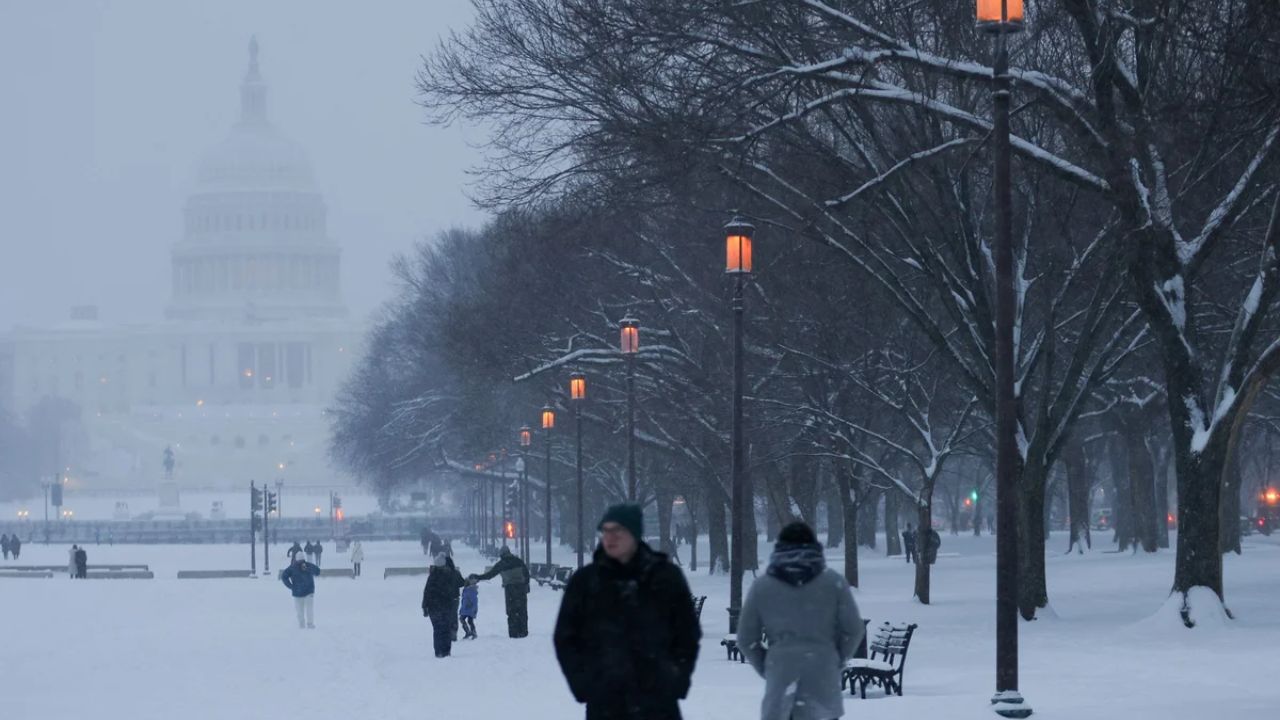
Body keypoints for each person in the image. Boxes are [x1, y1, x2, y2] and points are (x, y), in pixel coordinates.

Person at [554, 504, 700, 720]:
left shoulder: (665, 577)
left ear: (634, 534)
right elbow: (566, 637)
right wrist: (584, 683)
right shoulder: (586, 581)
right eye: (606, 531)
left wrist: (676, 678)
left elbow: (687, 633)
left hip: (658, 702)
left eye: (618, 531)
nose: (610, 537)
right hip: (605, 702)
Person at [737, 521, 864, 720]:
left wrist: (768, 665)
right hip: (822, 674)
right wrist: (836, 657)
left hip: (781, 674)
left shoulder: (762, 586)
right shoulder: (833, 582)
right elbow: (854, 630)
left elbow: (746, 638)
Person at [474, 545, 530, 638]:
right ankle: (523, 631)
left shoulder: (502, 564)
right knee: (522, 610)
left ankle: (514, 633)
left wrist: (478, 577)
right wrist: (525, 584)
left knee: (511, 611)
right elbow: (526, 574)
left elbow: (490, 575)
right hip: (520, 588)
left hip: (510, 589)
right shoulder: (518, 561)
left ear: (502, 554)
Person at [422, 554, 457, 657]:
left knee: (437, 629)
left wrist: (425, 606)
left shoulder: (432, 576)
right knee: (445, 629)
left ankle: (438, 651)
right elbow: (451, 590)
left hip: (434, 607)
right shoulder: (449, 575)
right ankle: (446, 650)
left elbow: (426, 592)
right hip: (445, 606)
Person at [280, 554, 321, 629]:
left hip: (301, 592)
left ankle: (304, 624)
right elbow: (318, 571)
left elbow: (318, 572)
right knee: (306, 610)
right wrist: (291, 586)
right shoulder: (295, 567)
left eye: (301, 561)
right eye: (299, 561)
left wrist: (291, 586)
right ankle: (308, 624)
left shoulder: (294, 567)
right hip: (305, 592)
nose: (301, 563)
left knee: (301, 610)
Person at [443, 554, 465, 640]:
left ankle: (446, 632)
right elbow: (462, 583)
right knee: (453, 615)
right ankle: (453, 632)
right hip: (455, 598)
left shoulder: (442, 573)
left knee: (445, 615)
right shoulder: (456, 573)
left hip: (444, 598)